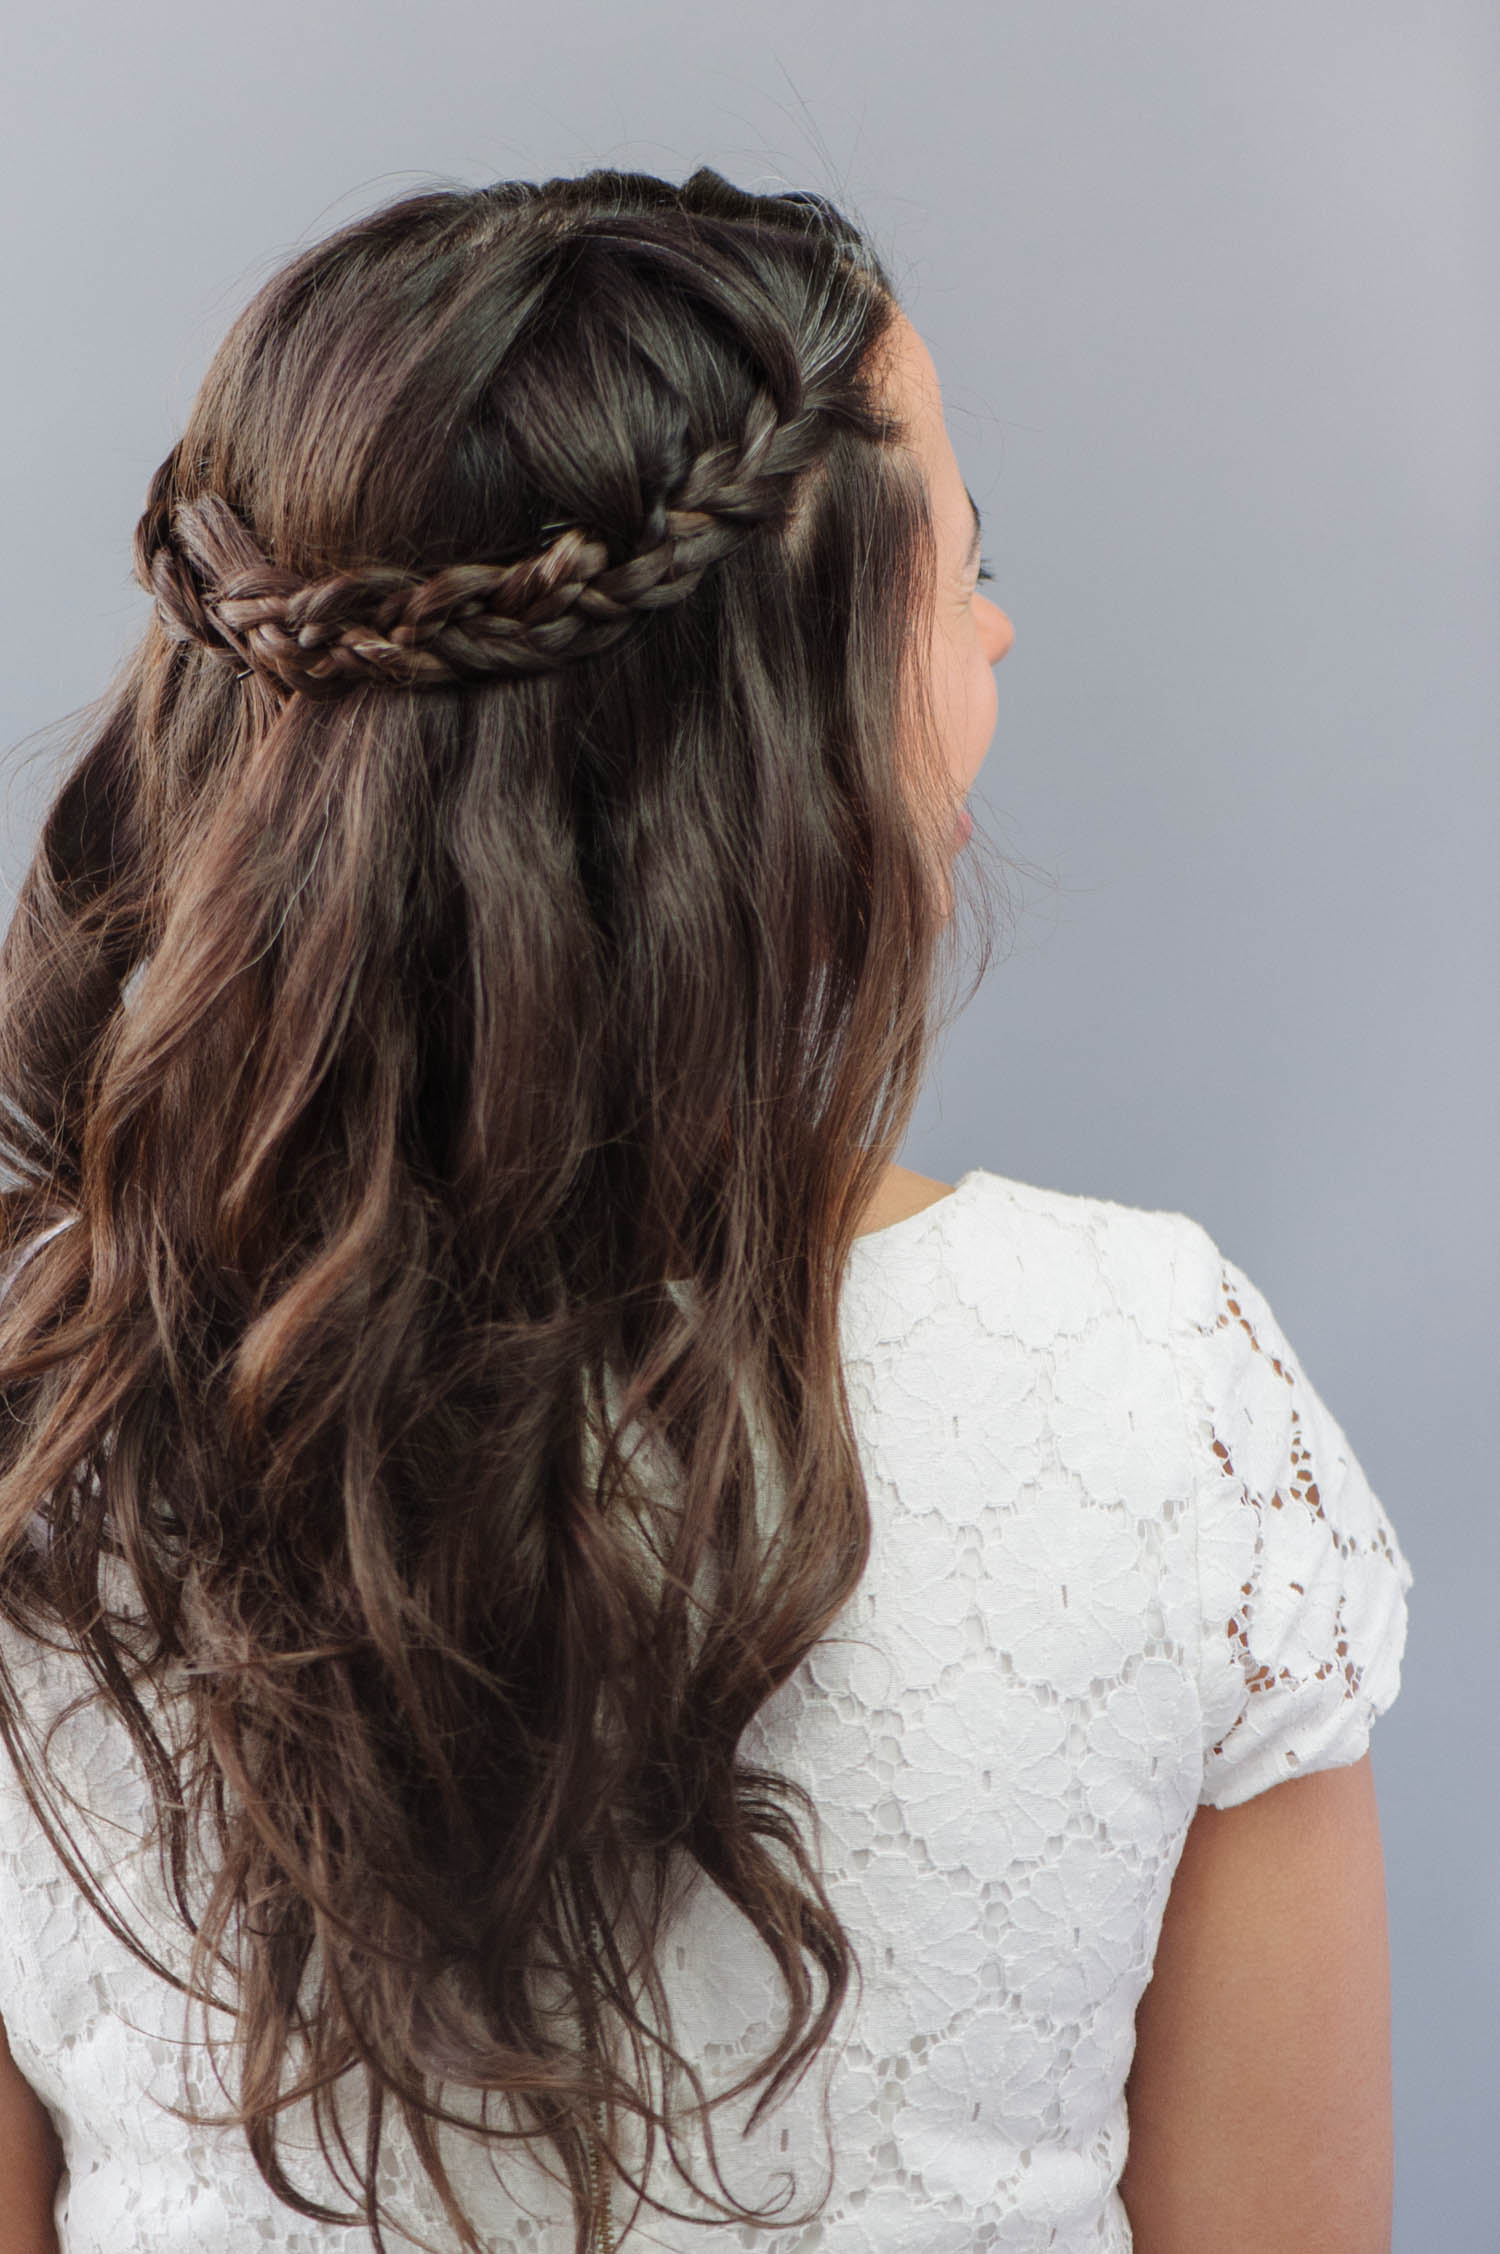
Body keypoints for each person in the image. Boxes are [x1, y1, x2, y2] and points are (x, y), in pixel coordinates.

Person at [0, 167, 1412, 2254]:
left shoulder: (52, 1406)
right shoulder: (1160, 1391)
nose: (1005, 619)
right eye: (964, 563)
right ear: (790, 738)